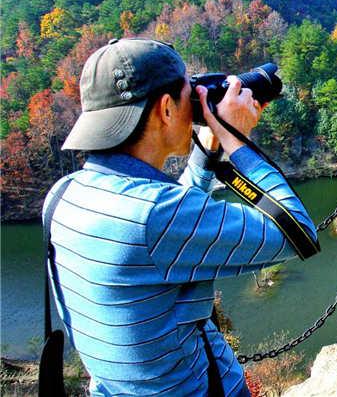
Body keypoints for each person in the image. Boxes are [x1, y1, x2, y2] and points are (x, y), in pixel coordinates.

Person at [43, 38, 318, 396]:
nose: (197, 103)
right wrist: (236, 139)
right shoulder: (155, 215)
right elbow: (298, 233)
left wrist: (208, 145)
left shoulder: (64, 195)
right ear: (166, 109)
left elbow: (169, 226)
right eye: (190, 93)